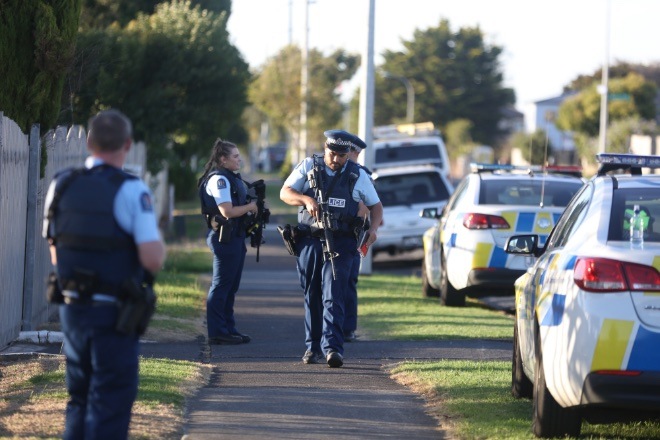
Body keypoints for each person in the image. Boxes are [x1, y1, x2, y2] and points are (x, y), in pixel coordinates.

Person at [42, 109, 166, 439]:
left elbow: (55, 247)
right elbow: (152, 257)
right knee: (110, 400)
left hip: (71, 308)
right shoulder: (131, 189)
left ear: (88, 142)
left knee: (79, 398)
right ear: (127, 144)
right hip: (113, 312)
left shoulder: (62, 183)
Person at [280, 129, 383, 367]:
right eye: (332, 153)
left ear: (349, 154)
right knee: (312, 293)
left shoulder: (357, 175)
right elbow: (286, 192)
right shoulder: (308, 166)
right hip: (310, 240)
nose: (336, 159)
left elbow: (376, 206)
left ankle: (333, 349)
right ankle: (312, 347)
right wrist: (306, 200)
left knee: (334, 294)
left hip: (342, 241)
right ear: (325, 148)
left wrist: (374, 229)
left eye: (342, 156)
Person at [198, 138, 259, 345]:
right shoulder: (219, 180)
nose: (239, 160)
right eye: (235, 157)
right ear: (223, 159)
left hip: (234, 237)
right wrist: (250, 207)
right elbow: (227, 210)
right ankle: (217, 331)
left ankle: (228, 328)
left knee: (230, 287)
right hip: (224, 238)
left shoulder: (230, 177)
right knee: (221, 285)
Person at [343, 143, 373, 342]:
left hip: (352, 236)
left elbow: (367, 206)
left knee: (349, 281)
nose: (356, 155)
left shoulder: (361, 174)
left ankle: (347, 328)